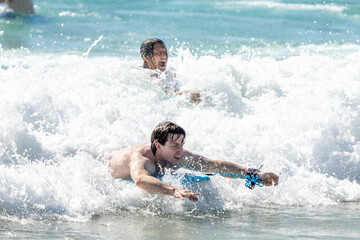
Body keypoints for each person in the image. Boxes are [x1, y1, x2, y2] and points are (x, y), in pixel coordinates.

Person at [108, 121, 279, 202]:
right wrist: (173, 190)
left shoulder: (177, 155)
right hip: (107, 165)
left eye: (182, 144)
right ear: (158, 145)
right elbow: (140, 179)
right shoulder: (142, 157)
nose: (180, 151)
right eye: (175, 145)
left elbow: (213, 165)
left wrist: (252, 174)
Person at [140, 38, 201, 102]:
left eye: (165, 53)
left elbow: (184, 81)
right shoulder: (145, 75)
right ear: (146, 57)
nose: (164, 56)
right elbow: (163, 93)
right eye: (159, 53)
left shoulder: (169, 72)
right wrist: (187, 93)